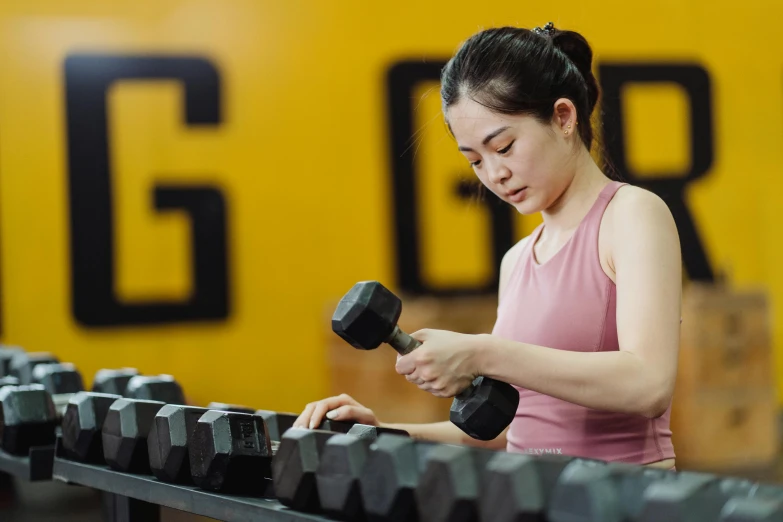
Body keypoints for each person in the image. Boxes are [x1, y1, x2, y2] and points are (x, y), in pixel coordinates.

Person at [295, 22, 681, 470]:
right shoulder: (516, 261)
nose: (494, 174)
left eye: (504, 146)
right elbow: (516, 430)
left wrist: (482, 352)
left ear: (563, 117)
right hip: (528, 499)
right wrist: (381, 434)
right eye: (475, 160)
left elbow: (648, 385)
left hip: (624, 501)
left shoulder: (632, 215)